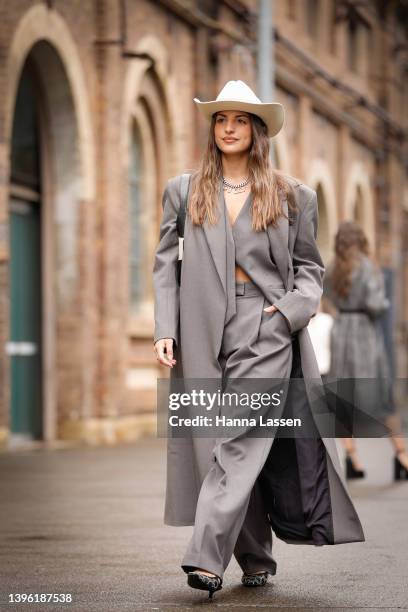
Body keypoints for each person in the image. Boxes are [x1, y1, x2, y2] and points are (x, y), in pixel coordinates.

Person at [153, 80, 365, 600]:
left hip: (266, 328)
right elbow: (164, 266)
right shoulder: (183, 190)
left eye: (240, 120)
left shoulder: (294, 194)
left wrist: (286, 313)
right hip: (201, 330)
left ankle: (206, 558)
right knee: (214, 448)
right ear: (213, 128)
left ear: (257, 130)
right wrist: (165, 327)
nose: (229, 128)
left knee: (240, 440)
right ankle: (256, 557)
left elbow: (309, 269)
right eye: (221, 119)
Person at [323, 220, 408, 481]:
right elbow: (375, 304)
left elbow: (328, 298)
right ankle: (402, 456)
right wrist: (383, 302)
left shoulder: (332, 268)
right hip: (365, 335)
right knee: (381, 395)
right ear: (361, 240)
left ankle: (353, 460)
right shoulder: (368, 267)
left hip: (341, 332)